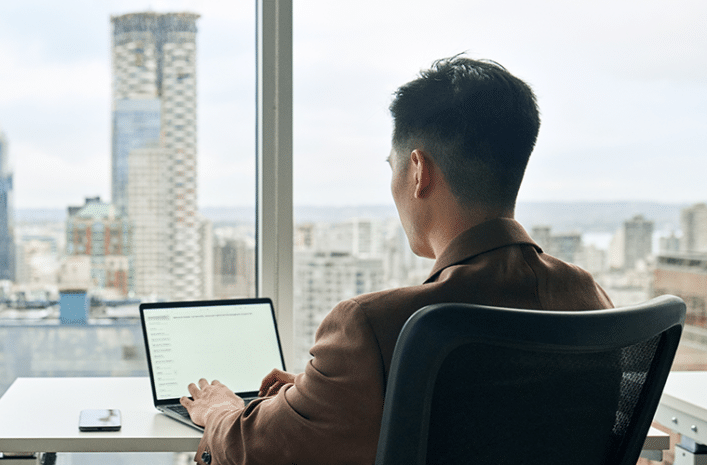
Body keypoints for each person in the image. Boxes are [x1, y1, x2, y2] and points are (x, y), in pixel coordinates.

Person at [178, 55, 614, 464]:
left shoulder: (373, 326)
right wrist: (333, 395)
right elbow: (507, 413)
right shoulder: (588, 298)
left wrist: (220, 412)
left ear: (419, 171)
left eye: (393, 167)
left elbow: (255, 451)